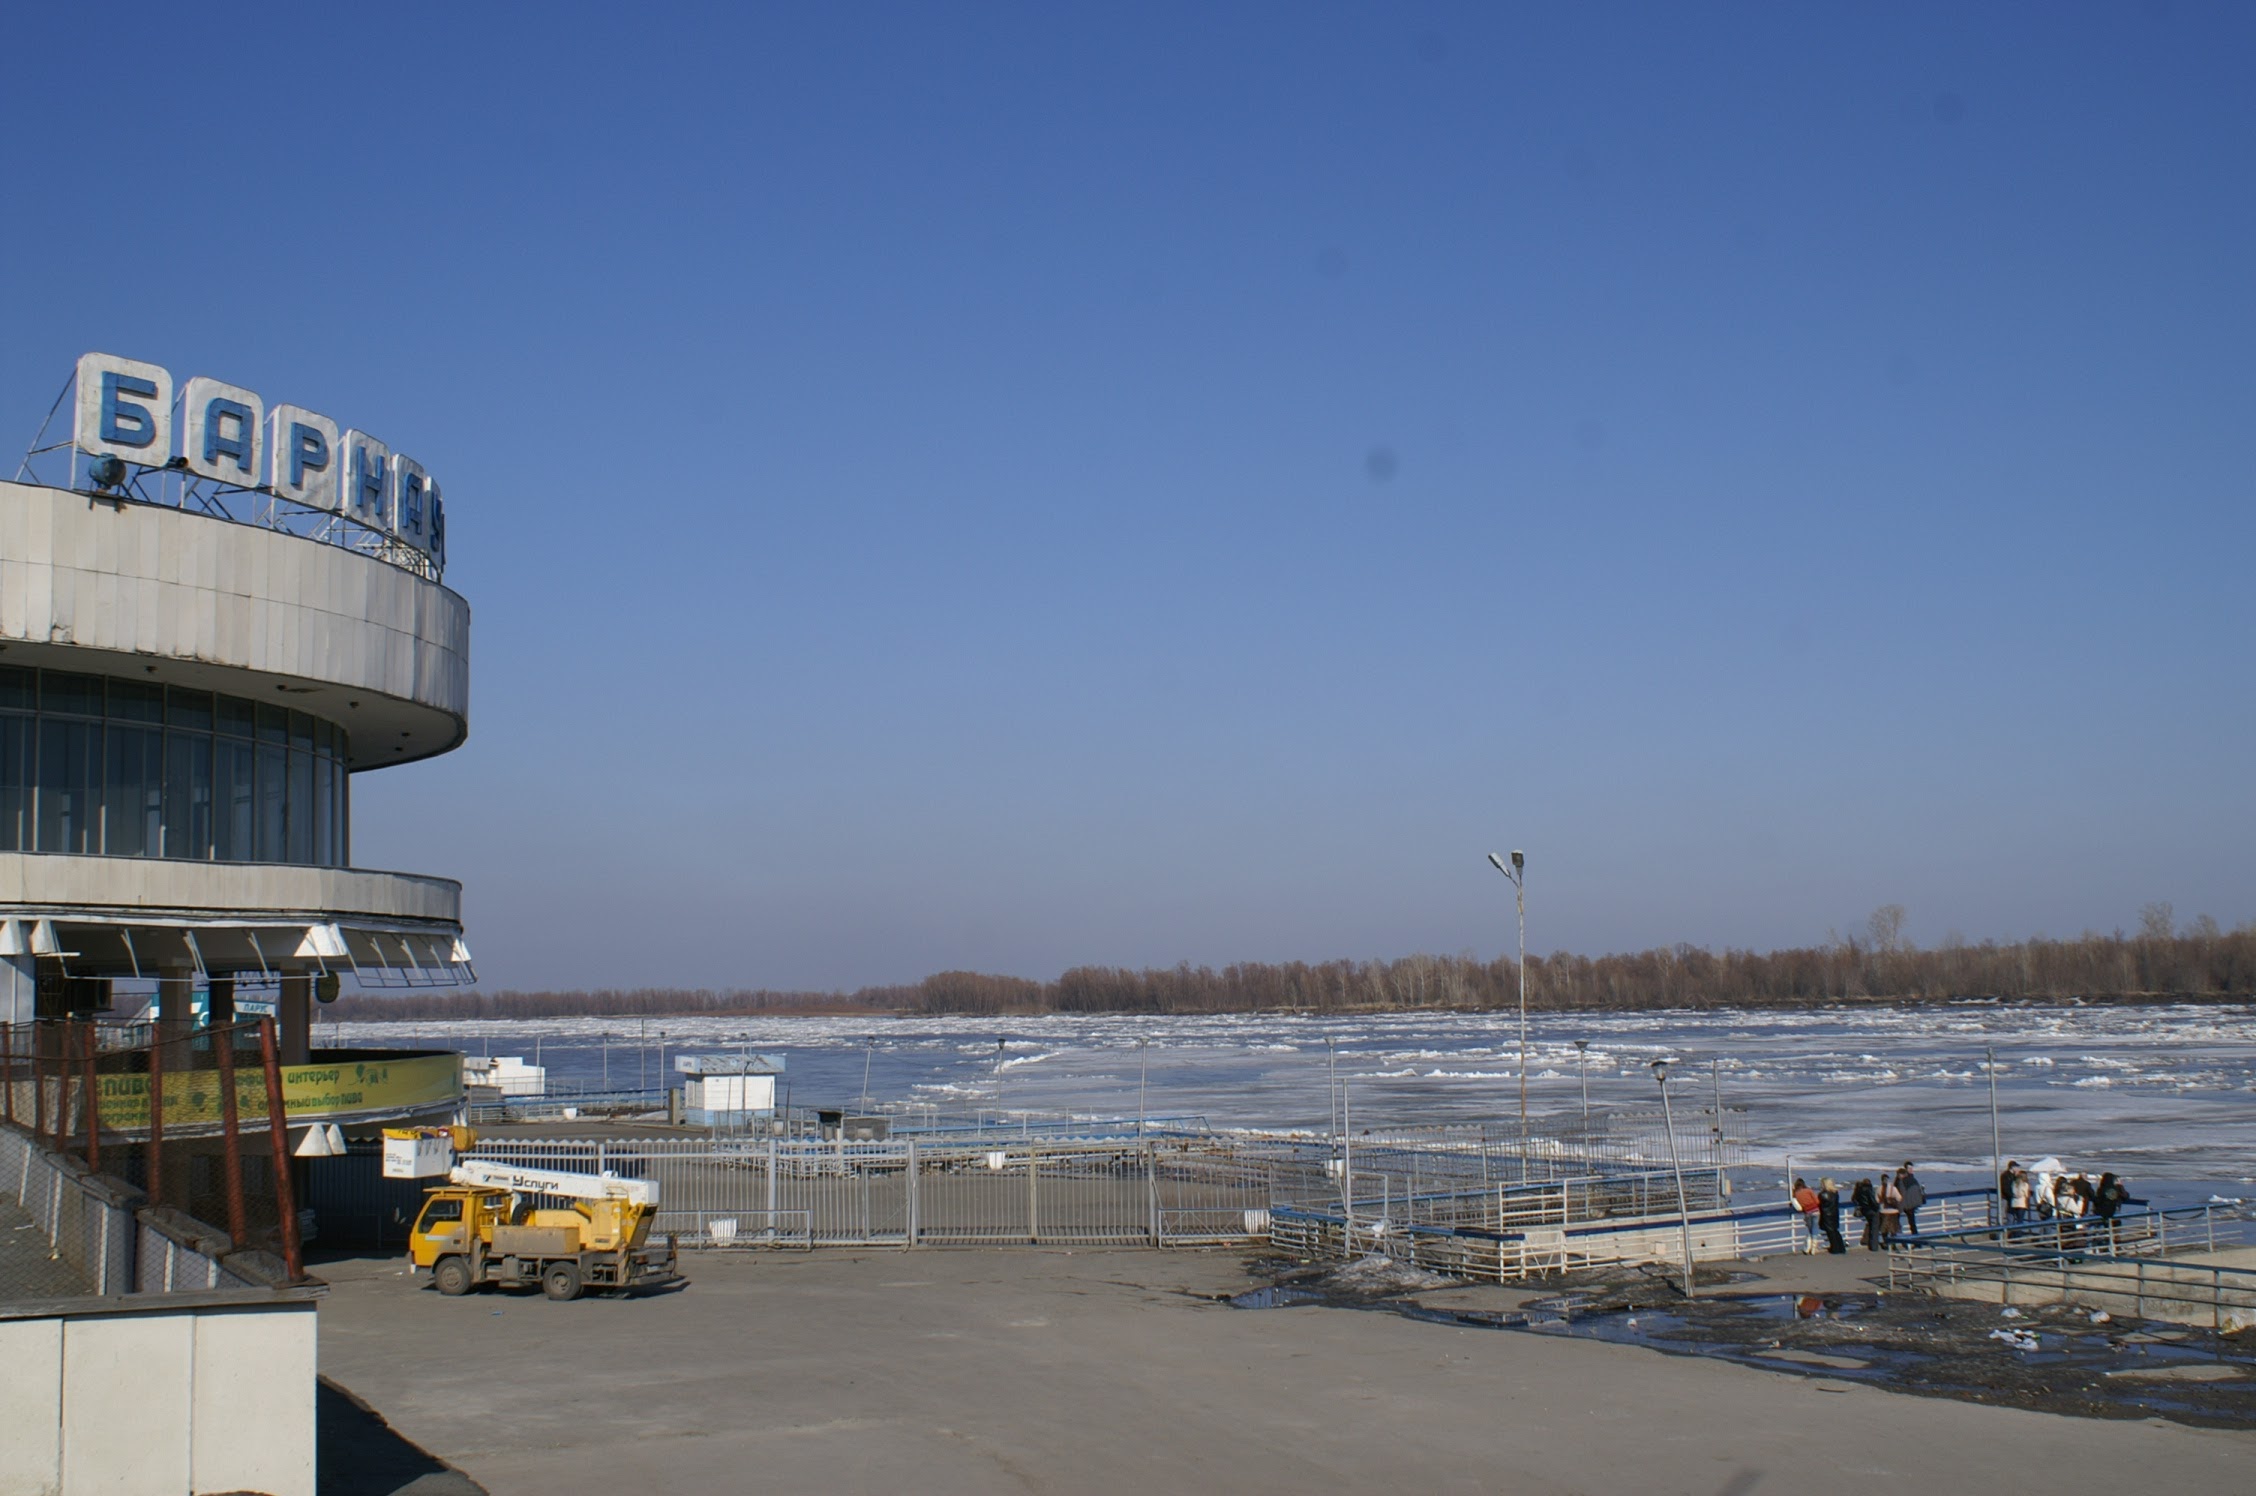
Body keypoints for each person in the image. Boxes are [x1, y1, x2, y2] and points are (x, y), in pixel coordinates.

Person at [1896, 1163, 1926, 1239]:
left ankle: (1895, 1239)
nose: (1911, 1170)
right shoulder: (1911, 1179)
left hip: (1906, 1204)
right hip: (1911, 1203)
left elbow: (1899, 1193)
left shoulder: (1903, 1180)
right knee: (1912, 1223)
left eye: (1912, 1168)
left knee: (1896, 1221)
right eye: (1910, 1168)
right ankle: (1916, 1240)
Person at [1817, 1177, 1846, 1254]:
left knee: (1831, 1233)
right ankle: (1841, 1248)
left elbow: (1819, 1204)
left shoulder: (1822, 1194)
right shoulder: (1835, 1193)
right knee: (1835, 1231)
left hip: (1826, 1215)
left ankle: (1835, 1249)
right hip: (1834, 1214)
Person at [1792, 1177, 1821, 1252]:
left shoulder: (1796, 1194)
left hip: (1807, 1212)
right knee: (1815, 1228)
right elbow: (1817, 1201)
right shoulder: (1809, 1191)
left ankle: (1809, 1247)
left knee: (1811, 1229)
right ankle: (1814, 1247)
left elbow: (1796, 1204)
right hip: (1815, 1210)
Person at [1852, 1176, 1880, 1250]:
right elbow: (1872, 1200)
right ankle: (1874, 1246)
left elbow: (1854, 1199)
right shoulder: (1869, 1190)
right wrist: (1877, 1207)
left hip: (1865, 1210)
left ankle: (1869, 1242)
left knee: (1870, 1226)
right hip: (1872, 1210)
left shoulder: (1859, 1190)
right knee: (1874, 1228)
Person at [1877, 1169, 1903, 1247]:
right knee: (1893, 1229)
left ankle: (1885, 1243)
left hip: (1883, 1211)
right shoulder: (1893, 1188)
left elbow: (1877, 1200)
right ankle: (1893, 1244)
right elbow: (1899, 1198)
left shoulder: (1879, 1189)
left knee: (1884, 1229)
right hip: (1893, 1211)